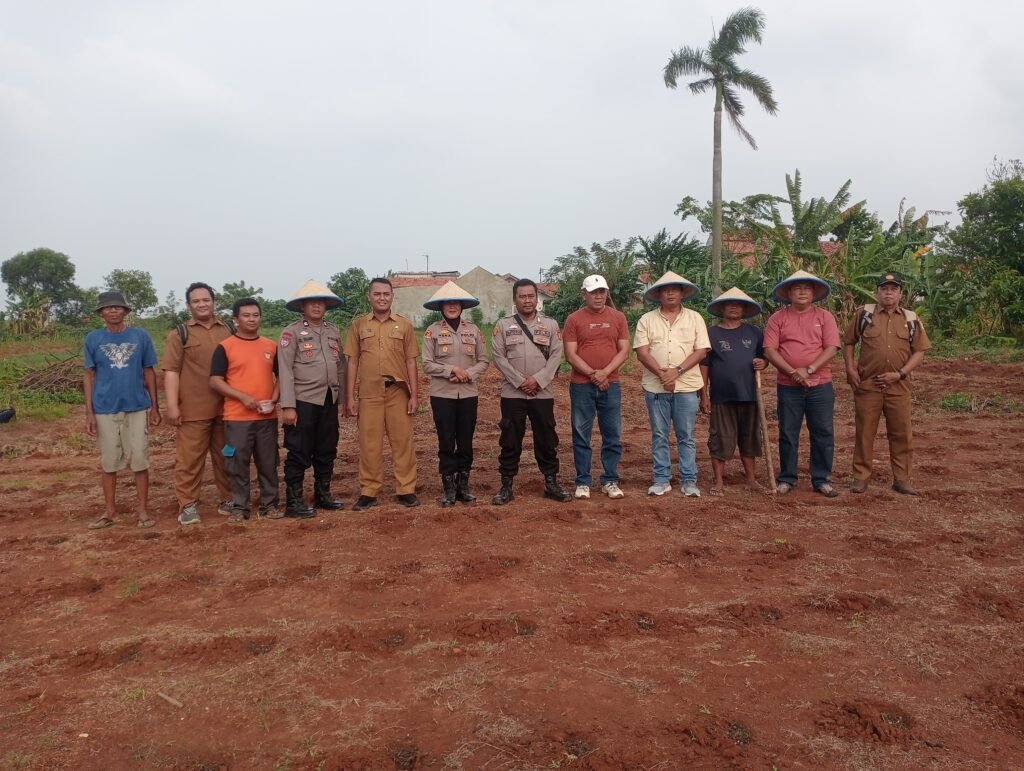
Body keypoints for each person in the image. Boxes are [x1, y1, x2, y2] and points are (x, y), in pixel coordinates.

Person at [843, 272, 932, 495]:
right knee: (865, 433)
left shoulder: (910, 319)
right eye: (884, 289)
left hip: (898, 386)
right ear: (877, 293)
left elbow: (919, 352)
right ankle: (861, 477)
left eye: (893, 289)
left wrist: (900, 374)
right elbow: (849, 342)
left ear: (901, 294)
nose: (888, 293)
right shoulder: (864, 314)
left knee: (901, 433)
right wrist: (850, 369)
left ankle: (901, 479)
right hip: (868, 385)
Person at [83, 291, 161, 529]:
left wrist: (155, 407)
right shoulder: (93, 339)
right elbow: (89, 375)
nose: (113, 310)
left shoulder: (140, 336)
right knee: (109, 463)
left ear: (125, 311)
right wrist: (89, 412)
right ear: (101, 313)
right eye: (108, 307)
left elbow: (149, 371)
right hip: (104, 408)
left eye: (118, 307)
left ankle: (143, 511)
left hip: (136, 407)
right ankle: (109, 511)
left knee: (139, 460)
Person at [490, 278, 572, 504]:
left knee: (547, 438)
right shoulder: (503, 325)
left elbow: (556, 355)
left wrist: (537, 380)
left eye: (530, 296)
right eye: (522, 297)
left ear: (537, 299)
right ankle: (506, 486)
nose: (527, 300)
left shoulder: (551, 325)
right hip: (513, 393)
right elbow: (498, 357)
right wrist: (521, 382)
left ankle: (551, 483)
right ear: (514, 300)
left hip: (542, 393)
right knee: (509, 439)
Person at [762, 269, 842, 497]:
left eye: (807, 288)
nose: (802, 292)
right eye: (797, 288)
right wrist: (792, 372)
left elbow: (832, 347)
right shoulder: (777, 318)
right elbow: (770, 350)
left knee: (823, 432)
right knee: (788, 432)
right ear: (788, 293)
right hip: (788, 386)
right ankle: (787, 478)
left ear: (814, 293)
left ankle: (822, 479)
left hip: (820, 384)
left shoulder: (825, 317)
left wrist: (809, 370)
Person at [344, 277, 420, 510]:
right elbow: (353, 361)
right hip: (369, 393)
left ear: (392, 297)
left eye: (386, 294)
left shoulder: (404, 325)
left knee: (402, 442)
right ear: (369, 296)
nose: (382, 298)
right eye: (377, 294)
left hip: (398, 391)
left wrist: (414, 395)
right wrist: (349, 397)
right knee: (369, 444)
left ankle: (406, 489)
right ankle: (369, 491)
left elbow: (411, 361)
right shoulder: (358, 325)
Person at [161, 282, 233, 526]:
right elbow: (171, 371)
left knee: (227, 456)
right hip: (193, 409)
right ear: (189, 305)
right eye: (196, 301)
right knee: (190, 460)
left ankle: (228, 499)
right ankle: (188, 504)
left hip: (226, 408)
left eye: (206, 300)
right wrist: (172, 406)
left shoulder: (229, 329)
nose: (202, 304)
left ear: (214, 302)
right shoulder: (179, 334)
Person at [633, 271, 711, 497]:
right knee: (659, 435)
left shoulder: (695, 318)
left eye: (674, 289)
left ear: (682, 293)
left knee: (686, 435)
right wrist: (662, 374)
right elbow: (642, 352)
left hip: (687, 387)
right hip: (655, 387)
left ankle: (689, 480)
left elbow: (701, 351)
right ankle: (661, 479)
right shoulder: (646, 319)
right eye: (665, 290)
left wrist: (677, 371)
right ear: (658, 294)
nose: (670, 293)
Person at [209, 298, 283, 522]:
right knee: (237, 463)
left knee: (268, 462)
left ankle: (269, 505)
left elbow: (281, 376)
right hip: (237, 418)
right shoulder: (225, 347)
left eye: (256, 315)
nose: (252, 319)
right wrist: (242, 398)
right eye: (246, 315)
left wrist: (275, 397)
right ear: (236, 319)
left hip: (267, 417)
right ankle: (240, 507)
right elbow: (215, 381)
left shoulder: (270, 346)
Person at [278, 280, 346, 518]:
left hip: (329, 399)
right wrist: (288, 406)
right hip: (303, 400)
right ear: (302, 306)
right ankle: (294, 501)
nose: (317, 306)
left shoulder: (333, 331)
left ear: (326, 305)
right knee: (299, 450)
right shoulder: (291, 333)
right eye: (311, 302)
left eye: (321, 302)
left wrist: (343, 400)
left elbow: (340, 366)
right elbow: (285, 370)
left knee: (327, 448)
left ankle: (323, 494)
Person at [421, 282, 489, 506]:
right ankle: (449, 487)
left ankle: (463, 486)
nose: (452, 306)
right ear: (441, 307)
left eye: (456, 303)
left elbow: (484, 360)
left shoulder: (474, 330)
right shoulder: (432, 331)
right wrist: (452, 370)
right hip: (442, 395)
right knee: (446, 441)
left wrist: (467, 374)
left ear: (462, 306)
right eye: (447, 303)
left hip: (468, 393)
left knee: (466, 441)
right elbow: (427, 364)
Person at [563, 274, 630, 499]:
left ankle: (610, 480)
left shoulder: (618, 317)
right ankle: (583, 481)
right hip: (582, 385)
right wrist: (593, 374)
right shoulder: (574, 319)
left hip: (611, 383)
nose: (598, 296)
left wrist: (605, 372)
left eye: (602, 292)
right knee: (581, 433)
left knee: (612, 434)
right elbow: (570, 354)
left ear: (606, 293)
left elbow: (624, 350)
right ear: (584, 294)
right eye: (593, 292)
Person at [699, 287, 767, 496]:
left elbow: (764, 358)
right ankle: (719, 481)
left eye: (738, 305)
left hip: (750, 395)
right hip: (721, 396)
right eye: (729, 304)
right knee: (720, 438)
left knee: (749, 438)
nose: (734, 308)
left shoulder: (754, 333)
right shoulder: (711, 334)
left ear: (744, 309)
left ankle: (751, 480)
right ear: (721, 309)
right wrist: (704, 394)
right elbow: (704, 366)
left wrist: (762, 363)